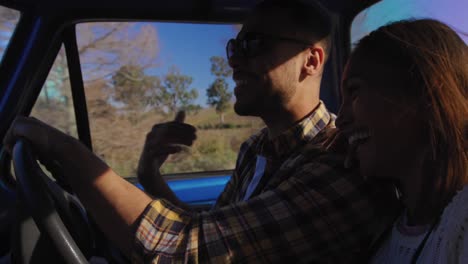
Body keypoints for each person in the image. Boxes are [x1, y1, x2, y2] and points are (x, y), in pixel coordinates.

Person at [3, 0, 397, 263]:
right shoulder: (257, 148)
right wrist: (149, 176)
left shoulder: (338, 162)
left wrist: (65, 150)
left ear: (310, 61)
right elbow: (218, 229)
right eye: (233, 48)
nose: (234, 62)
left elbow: (189, 249)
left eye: (252, 45)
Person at [336, 19, 468, 263]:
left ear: (424, 94)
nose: (339, 120)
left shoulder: (461, 225)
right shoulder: (386, 226)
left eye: (354, 92)